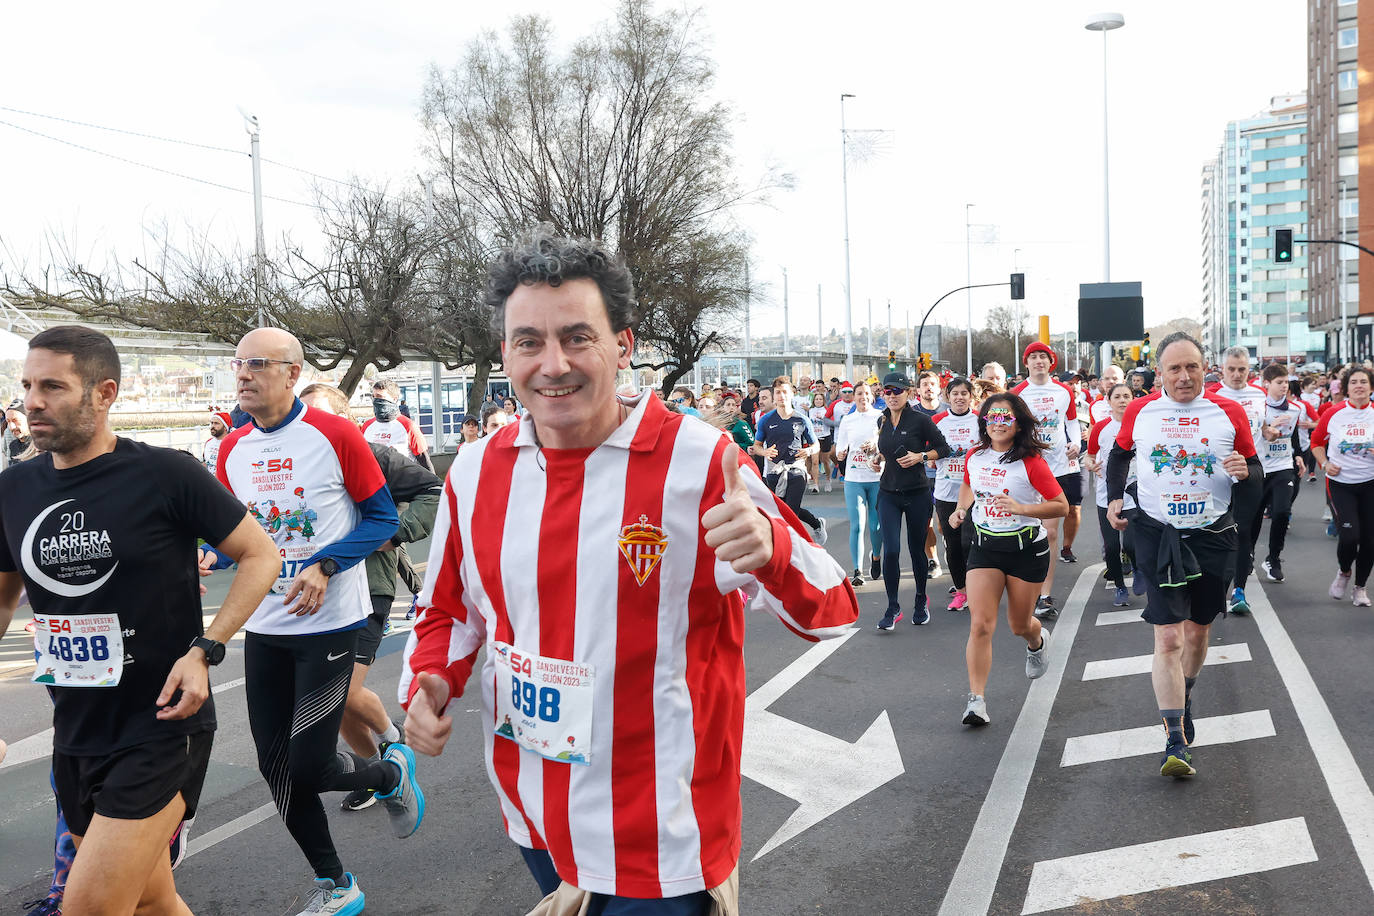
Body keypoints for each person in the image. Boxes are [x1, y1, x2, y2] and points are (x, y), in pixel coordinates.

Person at [399, 230, 858, 913]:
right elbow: (451, 611)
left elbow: (835, 606)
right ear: (505, 354)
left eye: (577, 337)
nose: (552, 364)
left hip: (659, 829)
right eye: (529, 341)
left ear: (624, 345)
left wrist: (769, 546)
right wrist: (429, 683)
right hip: (534, 814)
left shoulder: (700, 462)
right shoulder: (474, 469)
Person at [0, 325, 280, 916]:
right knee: (153, 900)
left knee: (91, 907)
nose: (32, 401)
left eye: (52, 386)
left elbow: (262, 555)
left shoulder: (166, 474)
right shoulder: (13, 489)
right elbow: (2, 599)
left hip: (162, 724)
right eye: (27, 385)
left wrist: (205, 649)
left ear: (104, 393)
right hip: (75, 728)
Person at [216, 327, 424, 915]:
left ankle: (386, 776)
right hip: (266, 625)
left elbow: (382, 518)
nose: (243, 374)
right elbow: (232, 533)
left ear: (290, 372)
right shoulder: (231, 450)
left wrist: (326, 565)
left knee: (310, 763)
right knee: (275, 765)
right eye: (237, 364)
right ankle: (336, 883)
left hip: (332, 622)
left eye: (257, 364)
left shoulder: (333, 434)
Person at [1106, 332, 1259, 778]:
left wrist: (1245, 471)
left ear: (1204, 367)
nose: (1184, 376)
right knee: (1168, 637)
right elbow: (1119, 457)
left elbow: (1254, 470)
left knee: (1196, 633)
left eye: (1192, 366)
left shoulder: (1228, 411)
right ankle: (1175, 738)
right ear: (1160, 373)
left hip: (1212, 534)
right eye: (1174, 368)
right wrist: (1116, 497)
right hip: (1158, 533)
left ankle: (1186, 693)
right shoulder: (1140, 410)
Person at [299, 383, 442, 813]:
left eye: (319, 414)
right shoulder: (298, 465)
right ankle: (376, 772)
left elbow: (434, 491)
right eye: (303, 415)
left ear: (343, 417)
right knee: (333, 701)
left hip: (369, 585)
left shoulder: (372, 455)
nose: (311, 424)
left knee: (343, 689)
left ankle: (397, 750)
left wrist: (393, 532)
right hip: (314, 591)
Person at [949, 394, 1067, 726]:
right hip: (985, 548)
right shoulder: (975, 455)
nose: (998, 423)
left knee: (1019, 625)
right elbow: (968, 486)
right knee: (981, 624)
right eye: (992, 417)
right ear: (984, 421)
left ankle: (1037, 639)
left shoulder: (1031, 461)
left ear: (1017, 424)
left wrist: (1022, 508)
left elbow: (1060, 504)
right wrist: (962, 509)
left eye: (1006, 417)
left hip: (1026, 550)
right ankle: (976, 701)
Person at [874, 372, 951, 629]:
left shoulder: (920, 420)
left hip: (917, 493)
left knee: (916, 549)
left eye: (897, 391)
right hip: (888, 494)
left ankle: (920, 600)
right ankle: (892, 606)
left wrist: (921, 457)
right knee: (892, 550)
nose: (892, 396)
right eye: (888, 391)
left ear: (908, 393)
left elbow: (943, 448)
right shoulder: (882, 420)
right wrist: (878, 459)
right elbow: (884, 449)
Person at [1011, 342, 1081, 620]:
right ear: (1026, 363)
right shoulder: (1017, 393)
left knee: (1051, 532)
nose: (1039, 361)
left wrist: (1075, 443)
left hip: (1058, 467)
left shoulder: (1064, 391)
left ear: (1051, 362)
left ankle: (1044, 594)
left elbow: (1072, 422)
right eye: (1033, 357)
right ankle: (1025, 586)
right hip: (1028, 469)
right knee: (1028, 532)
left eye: (1044, 357)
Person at [1211, 346, 1267, 615]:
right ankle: (1219, 585)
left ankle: (1239, 590)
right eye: (1231, 369)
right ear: (1222, 369)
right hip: (1221, 478)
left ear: (1249, 369)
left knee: (1244, 532)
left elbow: (1262, 428)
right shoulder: (1213, 397)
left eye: (1241, 369)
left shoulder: (1259, 395)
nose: (1236, 374)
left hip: (1252, 473)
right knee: (1224, 532)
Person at [1311, 365, 1374, 607]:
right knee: (1349, 537)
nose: (1359, 386)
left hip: (1370, 483)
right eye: (1354, 382)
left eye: (1364, 382)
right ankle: (1344, 571)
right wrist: (1325, 464)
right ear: (1346, 388)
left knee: (1369, 541)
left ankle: (1360, 588)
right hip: (1341, 484)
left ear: (1370, 386)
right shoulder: (1334, 414)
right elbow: (1316, 442)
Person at [1238, 364, 1305, 587]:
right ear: (1266, 384)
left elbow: (1293, 436)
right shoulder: (1258, 407)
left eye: (1286, 382)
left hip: (1282, 466)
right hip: (1259, 467)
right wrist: (1268, 427)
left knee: (1282, 511)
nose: (1284, 386)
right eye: (1279, 382)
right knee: (1253, 517)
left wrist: (1298, 456)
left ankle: (1273, 559)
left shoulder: (1295, 409)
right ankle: (1247, 555)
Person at [753, 377, 829, 545]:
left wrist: (808, 450)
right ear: (774, 396)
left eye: (785, 392)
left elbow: (815, 445)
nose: (781, 396)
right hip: (774, 472)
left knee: (791, 513)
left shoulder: (801, 419)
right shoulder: (766, 420)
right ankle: (816, 523)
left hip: (797, 470)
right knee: (782, 510)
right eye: (778, 393)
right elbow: (756, 446)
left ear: (792, 394)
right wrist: (764, 451)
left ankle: (796, 548)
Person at [1083, 382, 1138, 606]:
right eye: (1117, 397)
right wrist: (1090, 465)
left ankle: (1138, 569)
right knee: (1112, 546)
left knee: (1133, 544)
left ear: (1133, 400)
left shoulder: (1140, 426)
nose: (1123, 400)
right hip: (1106, 493)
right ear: (1109, 401)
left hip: (1135, 493)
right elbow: (1090, 455)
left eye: (1127, 396)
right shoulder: (1101, 428)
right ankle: (1119, 586)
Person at [932, 378, 980, 612]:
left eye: (964, 393)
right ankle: (961, 591)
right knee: (952, 544)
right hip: (945, 492)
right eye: (955, 394)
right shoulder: (937, 421)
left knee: (969, 541)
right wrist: (931, 458)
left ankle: (978, 588)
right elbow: (929, 451)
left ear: (972, 397)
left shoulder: (981, 420)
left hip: (975, 493)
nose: (960, 398)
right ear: (947, 396)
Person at [835, 381, 884, 585]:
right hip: (854, 479)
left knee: (875, 526)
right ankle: (857, 571)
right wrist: (841, 453)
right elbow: (840, 447)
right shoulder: (848, 419)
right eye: (859, 394)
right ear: (853, 398)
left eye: (866, 393)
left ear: (871, 396)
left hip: (876, 478)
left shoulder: (880, 418)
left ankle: (876, 557)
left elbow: (886, 446)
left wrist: (875, 447)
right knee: (857, 525)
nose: (863, 397)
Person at [913, 370, 947, 579]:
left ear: (939, 388)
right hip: (920, 475)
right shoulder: (912, 413)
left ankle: (952, 554)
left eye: (932, 384)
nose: (928, 387)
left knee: (945, 524)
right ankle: (933, 561)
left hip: (947, 475)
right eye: (924, 384)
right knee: (925, 523)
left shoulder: (949, 411)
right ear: (918, 390)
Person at [363, 379, 435, 472]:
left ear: (394, 399)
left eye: (380, 397)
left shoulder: (408, 425)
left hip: (404, 481)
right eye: (374, 397)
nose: (376, 400)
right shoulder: (367, 426)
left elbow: (425, 461)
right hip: (377, 482)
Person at [808, 390, 834, 492]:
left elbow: (831, 423)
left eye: (820, 399)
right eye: (816, 399)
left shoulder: (827, 410)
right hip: (814, 438)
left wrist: (823, 419)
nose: (818, 401)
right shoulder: (810, 411)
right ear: (813, 401)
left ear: (823, 401)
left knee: (825, 461)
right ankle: (816, 484)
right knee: (814, 461)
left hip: (825, 437)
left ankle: (828, 479)